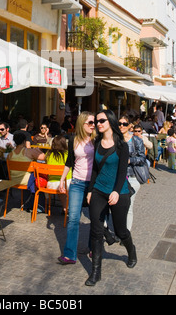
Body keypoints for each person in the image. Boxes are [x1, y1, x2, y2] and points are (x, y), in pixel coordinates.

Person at [85, 110, 137, 287]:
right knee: (96, 230)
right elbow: (95, 169)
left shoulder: (122, 145)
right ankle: (95, 272)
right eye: (96, 121)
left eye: (101, 120)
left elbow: (122, 172)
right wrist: (91, 190)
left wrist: (115, 191)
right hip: (99, 190)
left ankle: (131, 251)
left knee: (121, 231)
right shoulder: (97, 142)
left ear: (110, 122)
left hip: (119, 192)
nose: (98, 123)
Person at [57, 111, 96, 265]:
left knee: (95, 218)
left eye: (94, 122)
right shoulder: (73, 140)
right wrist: (62, 179)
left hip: (93, 185)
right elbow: (69, 161)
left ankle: (94, 247)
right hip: (77, 183)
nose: (94, 125)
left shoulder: (97, 140)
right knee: (73, 218)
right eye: (90, 123)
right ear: (82, 124)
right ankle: (70, 254)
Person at [119, 115, 146, 232]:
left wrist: (130, 160)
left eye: (124, 124)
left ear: (130, 126)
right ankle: (118, 229)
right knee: (117, 207)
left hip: (132, 177)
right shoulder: (115, 139)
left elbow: (142, 158)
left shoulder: (136, 140)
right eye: (119, 123)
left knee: (128, 206)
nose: (121, 126)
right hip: (117, 177)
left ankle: (126, 233)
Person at [45, 135, 72, 213]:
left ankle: (65, 207)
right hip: (66, 184)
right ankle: (67, 207)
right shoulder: (67, 154)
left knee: (61, 187)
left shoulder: (48, 153)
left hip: (50, 184)